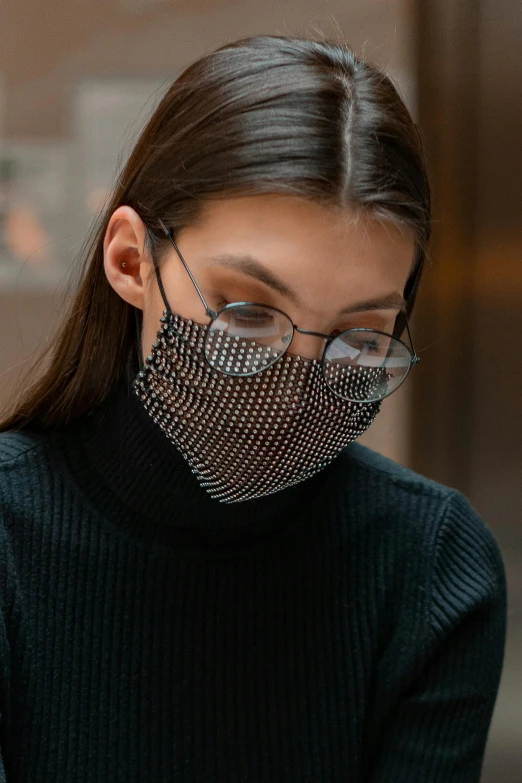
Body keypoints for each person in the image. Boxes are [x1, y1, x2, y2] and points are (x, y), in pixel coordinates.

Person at [0, 34, 506, 782]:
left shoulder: (429, 566)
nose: (289, 387)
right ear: (132, 261)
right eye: (244, 312)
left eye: (359, 335)